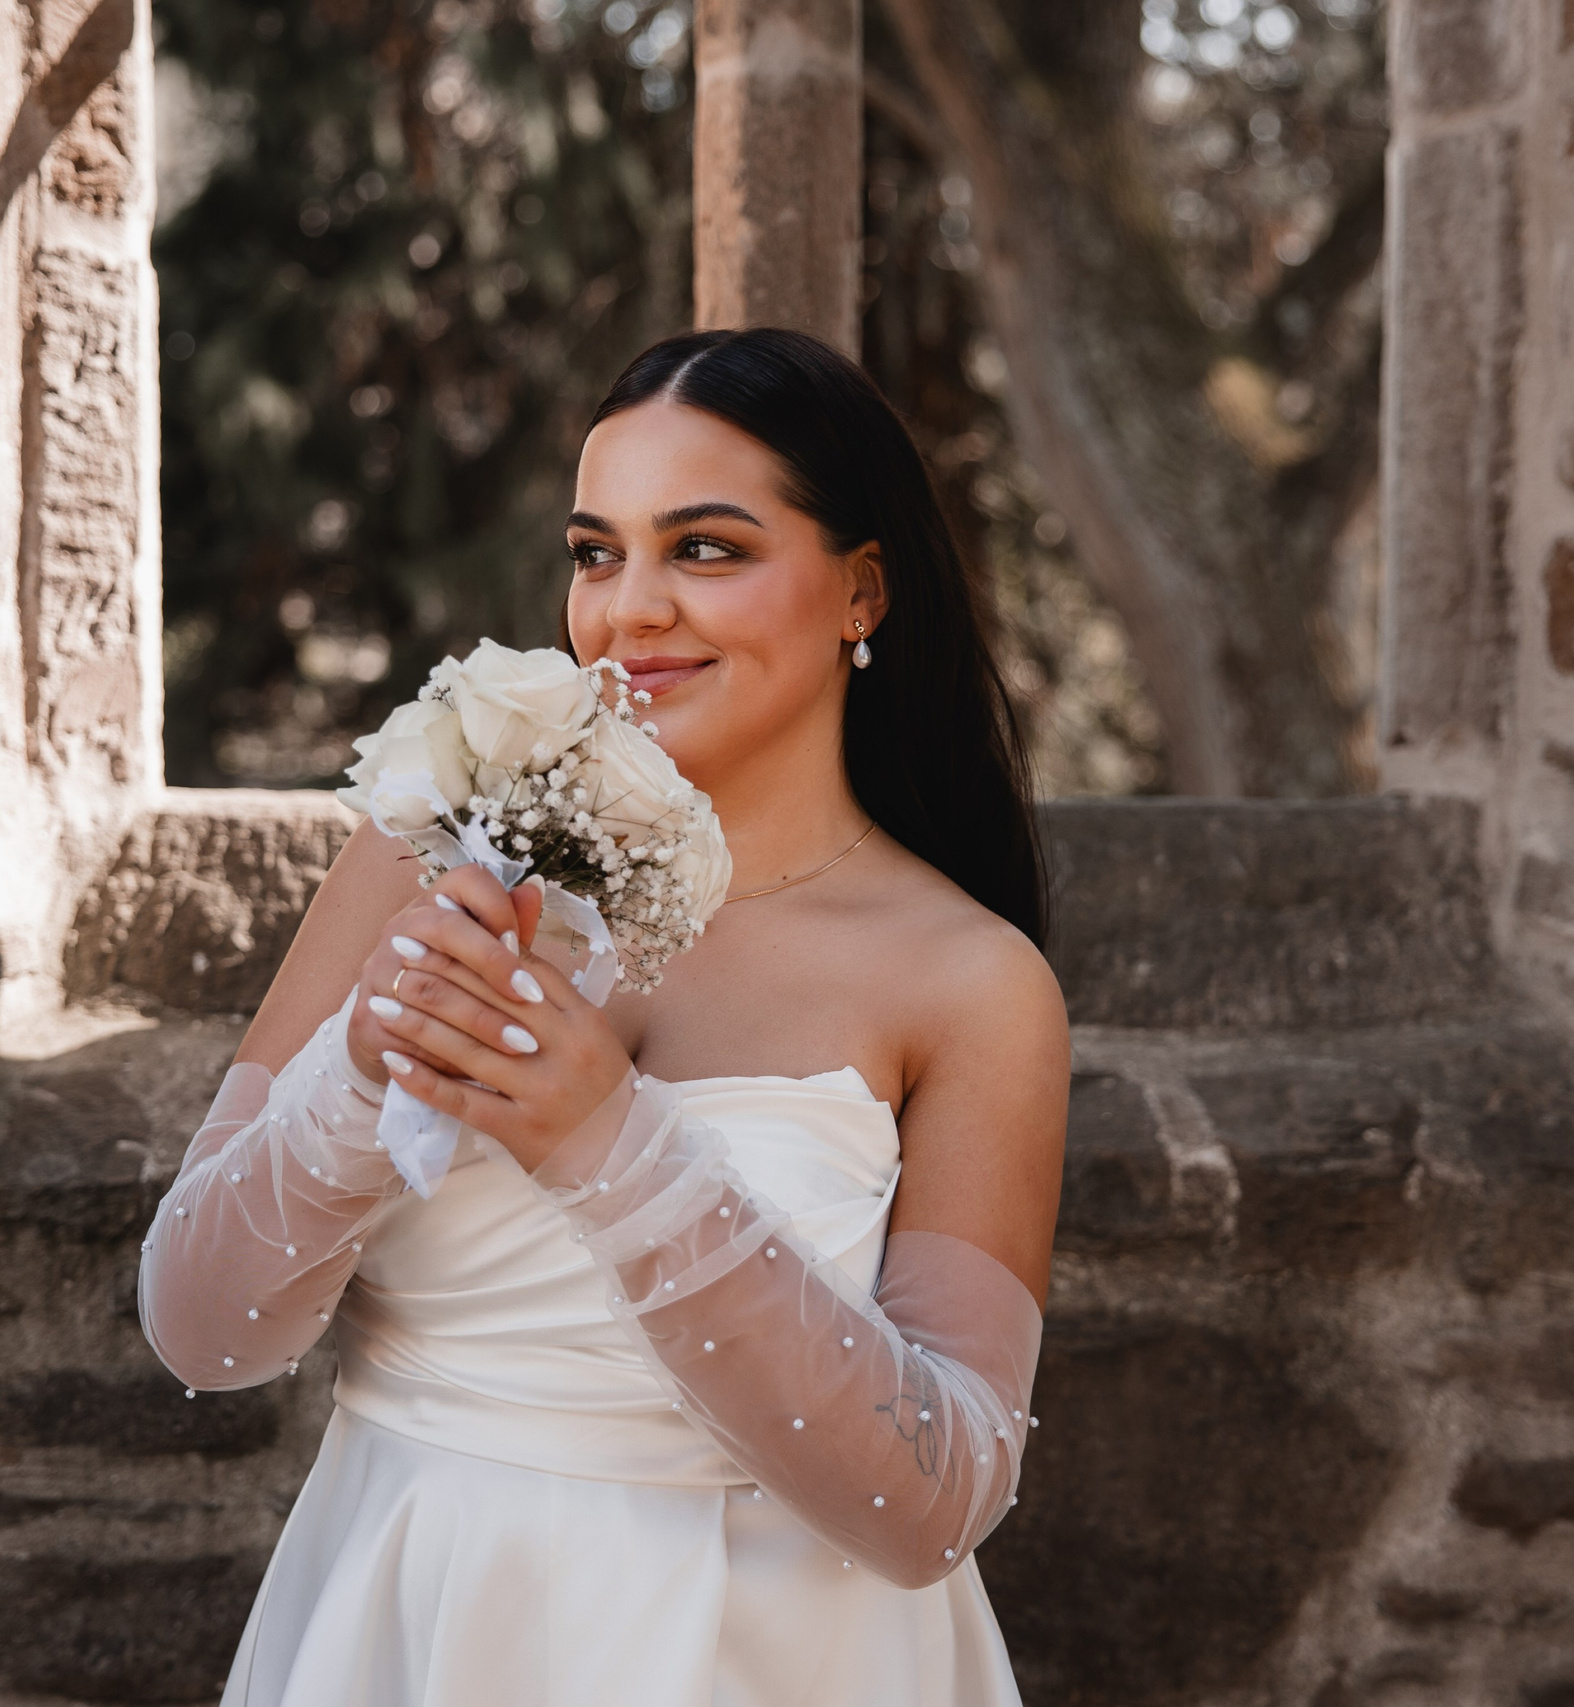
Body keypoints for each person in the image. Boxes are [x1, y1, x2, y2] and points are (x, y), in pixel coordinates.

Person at [136, 326, 1070, 1706]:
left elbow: (939, 1502)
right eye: (596, 551)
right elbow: (201, 1327)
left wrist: (606, 1143)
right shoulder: (424, 860)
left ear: (861, 590)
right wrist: (359, 1067)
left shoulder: (970, 983)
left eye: (706, 549)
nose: (630, 609)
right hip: (420, 1627)